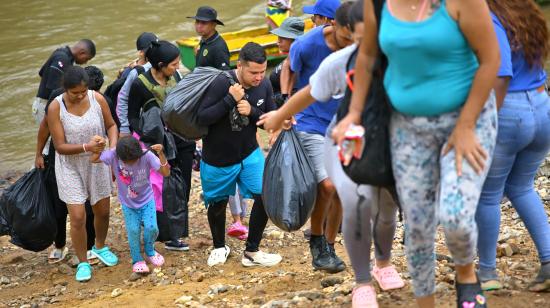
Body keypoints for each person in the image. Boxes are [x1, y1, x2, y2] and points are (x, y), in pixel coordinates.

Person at [333, 0, 500, 307]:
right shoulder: (377, 3)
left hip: (466, 120)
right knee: (418, 225)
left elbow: (491, 60)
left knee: (456, 217)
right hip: (407, 126)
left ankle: (466, 274)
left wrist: (465, 125)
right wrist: (354, 113)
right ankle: (426, 302)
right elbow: (368, 54)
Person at [258, 1, 404, 306]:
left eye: (365, 38)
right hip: (326, 129)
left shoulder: (389, 52)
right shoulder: (323, 52)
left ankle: (370, 258)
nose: (358, 45)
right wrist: (282, 111)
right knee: (341, 192)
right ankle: (349, 269)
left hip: (376, 133)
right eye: (354, 38)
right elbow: (299, 81)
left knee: (385, 206)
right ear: (338, 27)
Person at [476, 0, 550, 293]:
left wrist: (486, 119)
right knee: (521, 186)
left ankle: (486, 273)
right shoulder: (527, 12)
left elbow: (501, 72)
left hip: (509, 111)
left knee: (488, 194)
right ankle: (548, 260)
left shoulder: (490, 16)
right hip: (542, 104)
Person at [196, 42, 281, 268]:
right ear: (239, 65)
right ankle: (218, 246)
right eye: (253, 72)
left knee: (265, 196)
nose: (259, 77)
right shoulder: (219, 83)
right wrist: (229, 101)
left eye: (263, 71)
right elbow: (202, 118)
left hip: (249, 154)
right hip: (217, 159)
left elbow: (269, 120)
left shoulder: (264, 85)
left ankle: (252, 251)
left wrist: (252, 111)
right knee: (217, 204)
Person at [285, 1, 353, 274]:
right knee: (328, 186)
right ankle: (316, 240)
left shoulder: (358, 46)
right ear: (332, 23)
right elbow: (289, 69)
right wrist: (285, 106)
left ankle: (328, 245)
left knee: (342, 192)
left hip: (343, 122)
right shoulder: (308, 44)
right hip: (311, 122)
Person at [47, 66, 119, 282]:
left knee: (103, 211)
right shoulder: (55, 107)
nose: (80, 96)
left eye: (82, 91)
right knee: (78, 216)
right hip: (70, 165)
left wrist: (112, 150)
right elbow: (59, 146)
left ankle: (100, 246)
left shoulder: (98, 99)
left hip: (97, 162)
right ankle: (83, 262)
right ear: (65, 90)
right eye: (74, 92)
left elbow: (112, 125)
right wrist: (87, 147)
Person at [128, 40, 193, 251]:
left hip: (182, 140)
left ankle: (176, 234)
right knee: (160, 190)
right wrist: (147, 138)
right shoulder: (140, 84)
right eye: (174, 64)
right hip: (158, 145)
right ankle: (159, 233)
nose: (177, 68)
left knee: (182, 186)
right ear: (160, 64)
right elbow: (132, 117)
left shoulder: (176, 77)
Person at [91, 137, 170, 274]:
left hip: (147, 200)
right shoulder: (113, 154)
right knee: (133, 231)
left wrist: (161, 154)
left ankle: (150, 250)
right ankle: (137, 259)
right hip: (128, 204)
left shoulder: (146, 155)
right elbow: (93, 159)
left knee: (152, 228)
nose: (131, 163)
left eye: (134, 160)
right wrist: (101, 145)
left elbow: (166, 172)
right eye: (127, 161)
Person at [33, 39, 96, 124]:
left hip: (46, 103)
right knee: (52, 136)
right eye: (87, 59)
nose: (85, 62)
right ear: (82, 52)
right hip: (46, 104)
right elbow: (54, 89)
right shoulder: (62, 59)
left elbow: (42, 73)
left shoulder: (62, 54)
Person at [118, 32, 159, 136]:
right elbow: (122, 98)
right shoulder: (133, 72)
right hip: (137, 124)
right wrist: (124, 128)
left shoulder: (161, 66)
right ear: (141, 53)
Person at [269, 17, 305, 107]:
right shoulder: (285, 64)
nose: (278, 41)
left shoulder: (305, 63)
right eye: (278, 37)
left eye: (282, 38)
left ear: (295, 39)